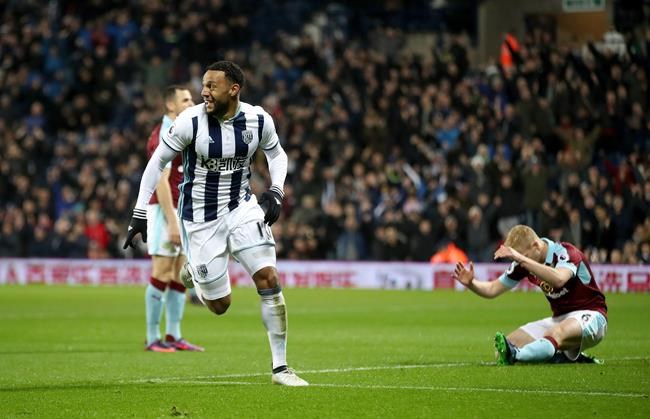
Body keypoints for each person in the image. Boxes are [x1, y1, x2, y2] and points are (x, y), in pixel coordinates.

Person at [124, 61, 308, 386]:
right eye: (204, 86)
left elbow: (277, 155)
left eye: (212, 86)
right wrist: (140, 211)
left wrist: (276, 191)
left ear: (233, 89)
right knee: (220, 305)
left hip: (242, 207)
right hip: (199, 219)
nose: (204, 92)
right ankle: (195, 271)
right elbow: (157, 164)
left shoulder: (258, 118)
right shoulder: (189, 122)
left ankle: (281, 367)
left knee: (268, 277)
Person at [453, 224, 608, 365]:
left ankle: (517, 355)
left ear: (536, 245)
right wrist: (471, 284)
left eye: (522, 256)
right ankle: (565, 357)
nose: (519, 262)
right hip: (560, 318)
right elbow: (493, 288)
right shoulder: (523, 263)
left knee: (553, 334)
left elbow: (559, 279)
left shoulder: (566, 253)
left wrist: (521, 259)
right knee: (505, 346)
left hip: (592, 316)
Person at [143, 85, 204, 352]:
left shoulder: (184, 130)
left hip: (183, 210)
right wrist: (171, 221)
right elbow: (161, 182)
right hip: (164, 210)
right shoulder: (163, 135)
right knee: (162, 271)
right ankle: (152, 337)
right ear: (171, 105)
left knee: (179, 273)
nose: (193, 102)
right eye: (186, 99)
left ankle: (174, 335)